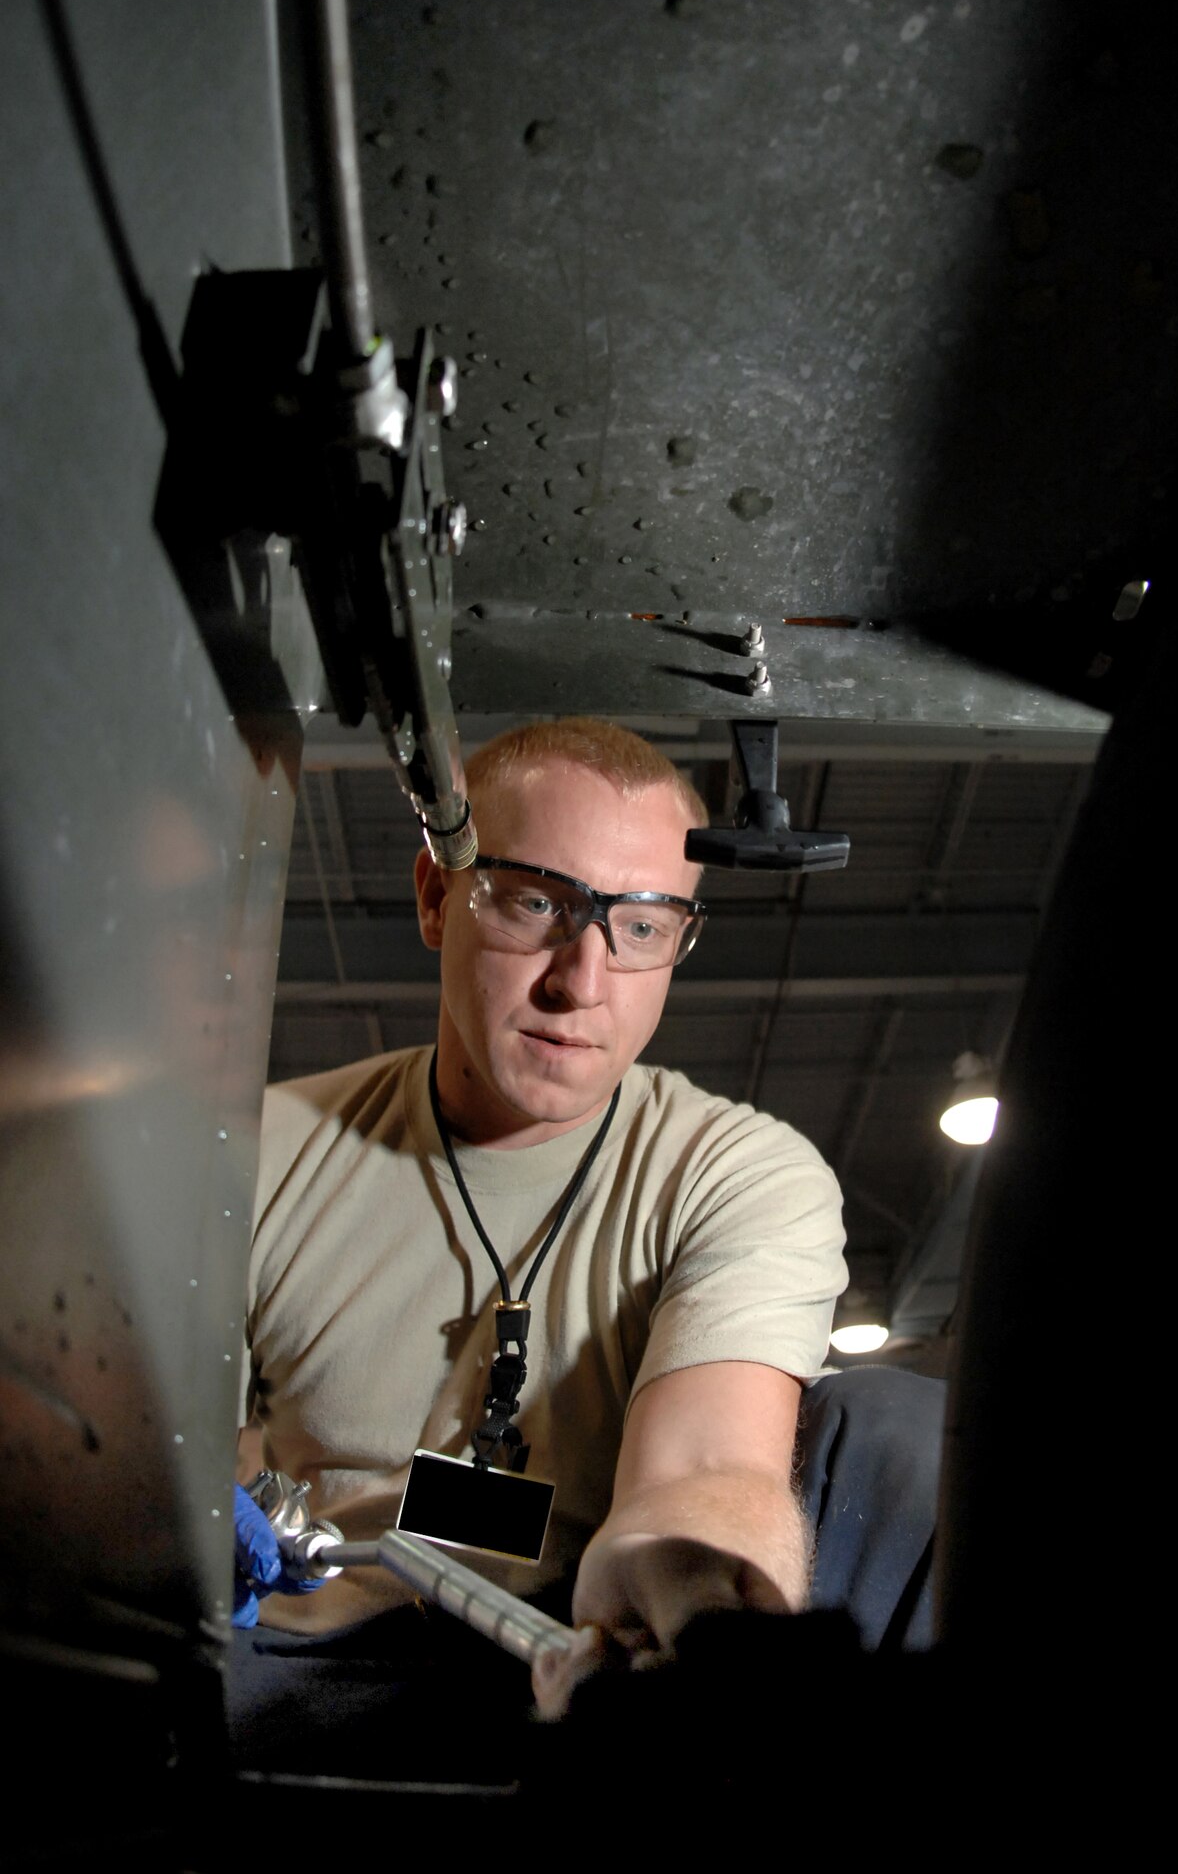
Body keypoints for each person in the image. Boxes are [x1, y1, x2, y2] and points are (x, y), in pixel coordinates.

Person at [230, 718, 942, 1773]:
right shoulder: (258, 1154)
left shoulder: (731, 1169)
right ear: (436, 896)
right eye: (533, 902)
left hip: (571, 1639)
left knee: (884, 1428)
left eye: (641, 926)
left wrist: (701, 1617)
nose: (583, 978)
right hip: (306, 1650)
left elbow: (707, 1463)